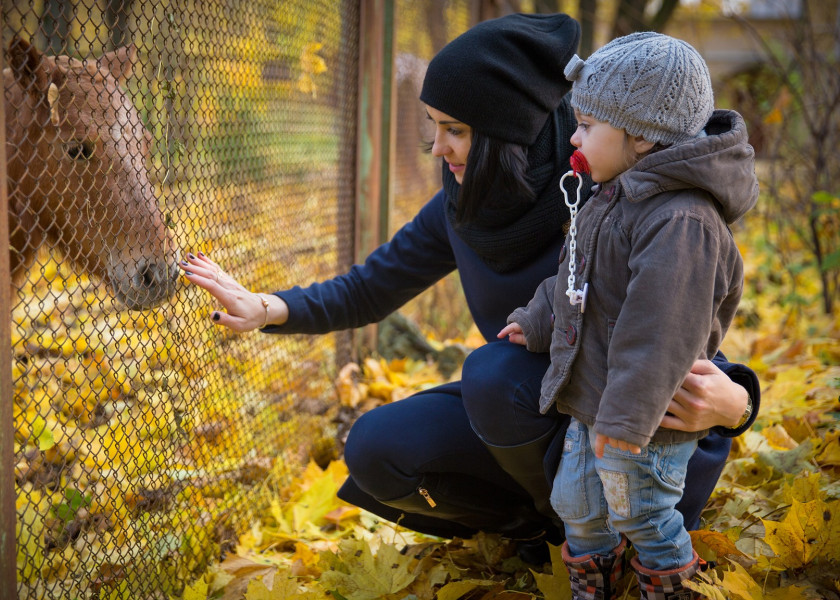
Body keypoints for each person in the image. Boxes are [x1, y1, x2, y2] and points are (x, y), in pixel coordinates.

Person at [182, 13, 759, 565]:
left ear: (507, 131)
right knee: (376, 449)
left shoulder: (612, 180)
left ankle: (615, 534)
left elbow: (678, 322)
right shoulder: (467, 203)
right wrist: (264, 308)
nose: (437, 147)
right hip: (541, 414)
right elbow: (370, 287)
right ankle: (545, 529)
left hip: (642, 432)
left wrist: (738, 404)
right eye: (432, 125)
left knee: (493, 373)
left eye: (454, 129)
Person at [500, 33, 758, 598]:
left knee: (643, 510)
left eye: (587, 125)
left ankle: (669, 581)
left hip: (646, 417)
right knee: (578, 502)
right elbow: (577, 275)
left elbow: (660, 334)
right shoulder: (615, 194)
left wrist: (624, 422)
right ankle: (597, 578)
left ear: (641, 136)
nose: (574, 136)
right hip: (595, 400)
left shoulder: (681, 222)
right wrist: (540, 316)